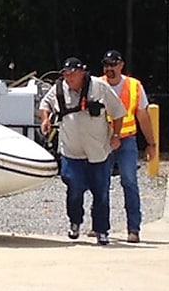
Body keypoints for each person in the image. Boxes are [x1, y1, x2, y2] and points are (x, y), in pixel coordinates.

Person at [38, 56, 125, 245]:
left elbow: (118, 111)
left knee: (101, 193)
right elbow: (45, 104)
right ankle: (75, 222)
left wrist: (116, 135)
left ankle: (102, 231)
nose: (68, 78)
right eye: (66, 75)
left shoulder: (99, 87)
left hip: (98, 151)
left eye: (72, 74)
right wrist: (45, 119)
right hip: (71, 151)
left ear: (81, 73)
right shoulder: (59, 89)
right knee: (74, 189)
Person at [100, 49, 157, 243]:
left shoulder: (134, 86)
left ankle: (133, 229)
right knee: (100, 184)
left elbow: (143, 117)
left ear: (121, 65)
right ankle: (99, 227)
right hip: (103, 141)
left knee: (130, 183)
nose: (109, 69)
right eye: (106, 65)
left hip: (126, 141)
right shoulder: (97, 85)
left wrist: (151, 144)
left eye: (113, 65)